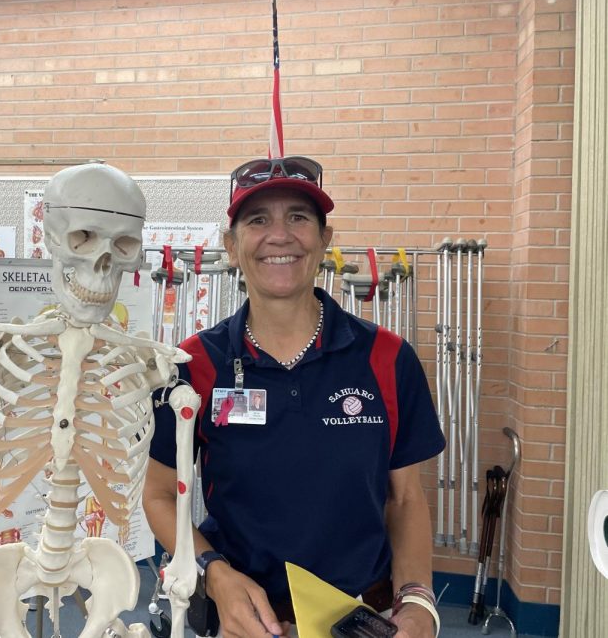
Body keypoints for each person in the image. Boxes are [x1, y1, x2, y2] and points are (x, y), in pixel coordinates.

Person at [143, 155, 445, 638]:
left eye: (298, 217)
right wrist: (215, 575)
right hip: (243, 623)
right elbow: (159, 495)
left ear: (325, 240)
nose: (279, 236)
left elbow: (405, 498)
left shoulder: (387, 358)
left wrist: (418, 599)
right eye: (258, 219)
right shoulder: (191, 365)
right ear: (232, 246)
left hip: (359, 620)